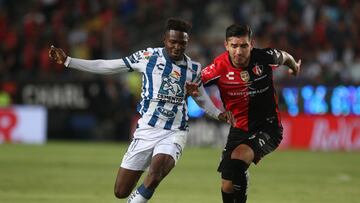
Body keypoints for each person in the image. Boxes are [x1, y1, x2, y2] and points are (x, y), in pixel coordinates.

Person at [48, 18, 233, 203]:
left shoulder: (193, 69)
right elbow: (108, 66)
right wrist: (68, 61)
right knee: (120, 191)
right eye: (173, 42)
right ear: (164, 40)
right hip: (146, 130)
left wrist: (218, 113)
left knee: (155, 174)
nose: (177, 47)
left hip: (174, 131)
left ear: (187, 43)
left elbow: (201, 98)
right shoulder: (147, 57)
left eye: (182, 43)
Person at [187, 24, 301, 203]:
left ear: (251, 44)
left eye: (243, 46)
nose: (238, 51)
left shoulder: (265, 57)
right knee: (227, 184)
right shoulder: (218, 67)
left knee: (238, 159)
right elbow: (194, 83)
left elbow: (285, 57)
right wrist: (190, 90)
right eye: (234, 46)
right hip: (239, 129)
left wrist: (294, 67)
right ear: (226, 45)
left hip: (268, 127)